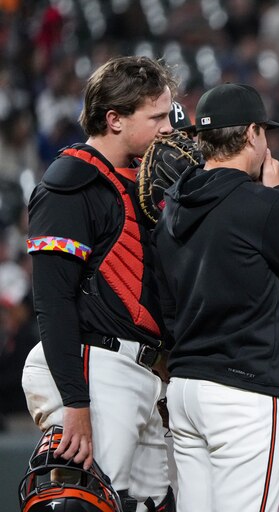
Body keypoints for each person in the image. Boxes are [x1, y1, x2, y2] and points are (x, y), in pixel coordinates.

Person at [152, 83, 279, 511]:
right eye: (264, 134)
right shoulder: (260, 203)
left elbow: (163, 304)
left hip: (185, 390)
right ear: (253, 133)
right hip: (242, 391)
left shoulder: (174, 205)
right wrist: (277, 195)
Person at [22, 55, 178, 511]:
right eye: (157, 117)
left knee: (150, 504)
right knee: (86, 502)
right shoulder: (69, 185)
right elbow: (53, 302)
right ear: (114, 119)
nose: (168, 128)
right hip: (95, 367)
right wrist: (76, 402)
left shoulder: (139, 180)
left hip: (140, 371)